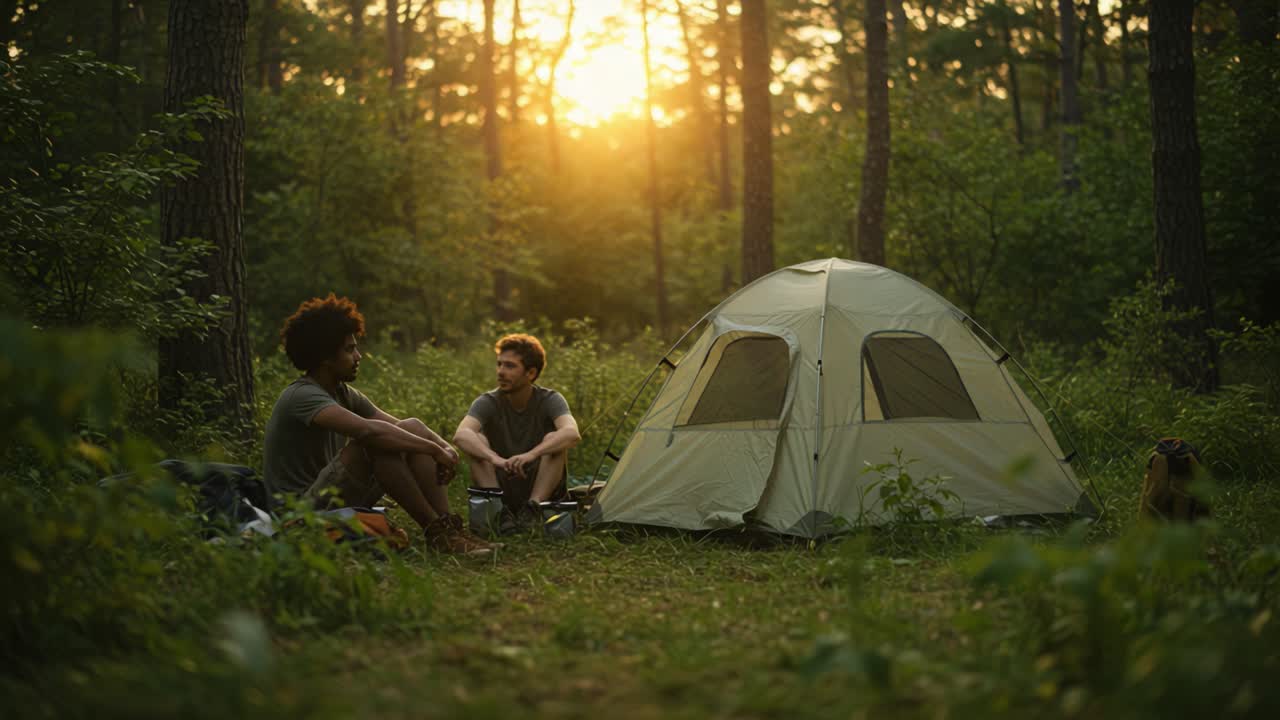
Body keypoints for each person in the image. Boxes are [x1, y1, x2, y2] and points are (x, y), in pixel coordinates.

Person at [262, 294, 495, 556]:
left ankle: (448, 531)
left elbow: (404, 427)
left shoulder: (342, 393)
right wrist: (434, 450)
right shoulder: (301, 395)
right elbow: (369, 431)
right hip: (299, 517)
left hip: (333, 500)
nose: (359, 356)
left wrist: (443, 448)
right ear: (325, 357)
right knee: (373, 444)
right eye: (349, 350)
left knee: (411, 428)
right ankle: (435, 532)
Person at [453, 334, 581, 527]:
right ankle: (499, 512)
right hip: (500, 483)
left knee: (556, 437)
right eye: (499, 364)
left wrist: (531, 454)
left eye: (510, 366)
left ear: (530, 373)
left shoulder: (550, 399)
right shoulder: (488, 401)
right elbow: (461, 435)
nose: (501, 372)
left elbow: (572, 434)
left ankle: (533, 510)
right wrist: (495, 459)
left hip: (539, 484)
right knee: (475, 439)